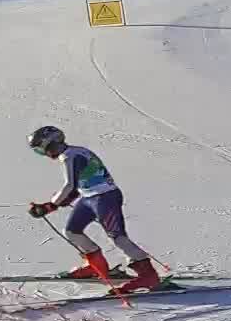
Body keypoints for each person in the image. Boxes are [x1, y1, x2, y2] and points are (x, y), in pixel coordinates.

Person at [26, 125, 161, 294]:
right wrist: (58, 203)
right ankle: (97, 266)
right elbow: (77, 186)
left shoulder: (70, 156)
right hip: (89, 197)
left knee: (118, 237)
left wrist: (50, 206)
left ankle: (149, 276)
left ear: (50, 143)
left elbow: (70, 185)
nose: (44, 154)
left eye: (41, 150)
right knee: (72, 231)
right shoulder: (75, 152)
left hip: (105, 197)